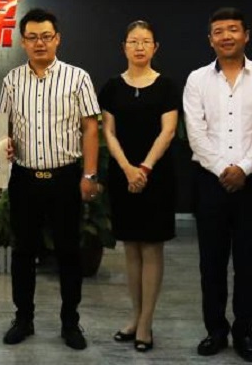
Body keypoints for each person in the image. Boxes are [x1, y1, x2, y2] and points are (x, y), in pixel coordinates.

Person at [0, 8, 101, 350]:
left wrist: (89, 174)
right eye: (32, 37)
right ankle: (23, 318)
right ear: (22, 42)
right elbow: (3, 126)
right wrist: (5, 143)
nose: (39, 43)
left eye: (46, 36)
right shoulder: (12, 80)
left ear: (57, 39)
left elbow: (90, 128)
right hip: (25, 178)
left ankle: (70, 322)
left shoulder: (78, 78)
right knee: (23, 252)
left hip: (65, 178)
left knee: (69, 252)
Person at [183, 7, 252, 363]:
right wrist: (223, 169)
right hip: (209, 183)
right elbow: (195, 133)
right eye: (219, 31)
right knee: (211, 264)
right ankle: (215, 330)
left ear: (246, 35)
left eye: (233, 29)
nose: (226, 36)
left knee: (249, 265)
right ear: (210, 39)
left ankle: (244, 332)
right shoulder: (197, 79)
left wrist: (243, 168)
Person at [99, 20, 179, 353]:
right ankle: (134, 316)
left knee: (152, 248)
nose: (140, 46)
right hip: (123, 175)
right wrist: (127, 169)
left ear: (155, 47)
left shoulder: (166, 86)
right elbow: (108, 132)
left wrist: (143, 168)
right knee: (130, 247)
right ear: (124, 47)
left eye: (146, 41)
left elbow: (168, 131)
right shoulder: (111, 87)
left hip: (156, 176)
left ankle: (146, 322)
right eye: (133, 41)